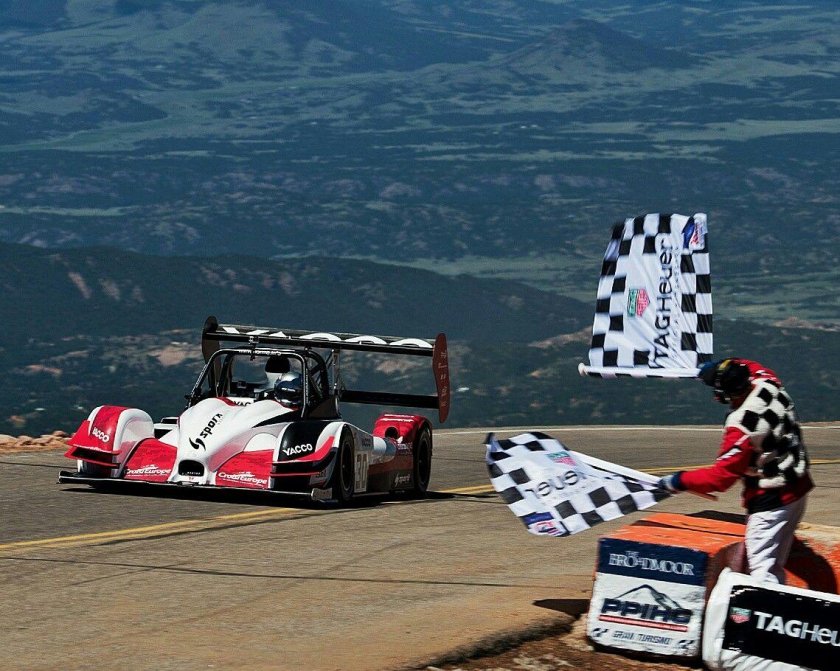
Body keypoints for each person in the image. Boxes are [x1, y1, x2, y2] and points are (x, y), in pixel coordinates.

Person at [658, 357, 813, 584]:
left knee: (761, 573)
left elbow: (720, 478)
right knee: (774, 563)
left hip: (771, 500)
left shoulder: (741, 426)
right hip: (798, 487)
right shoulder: (769, 383)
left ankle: (765, 614)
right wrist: (721, 368)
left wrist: (679, 481)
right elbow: (751, 365)